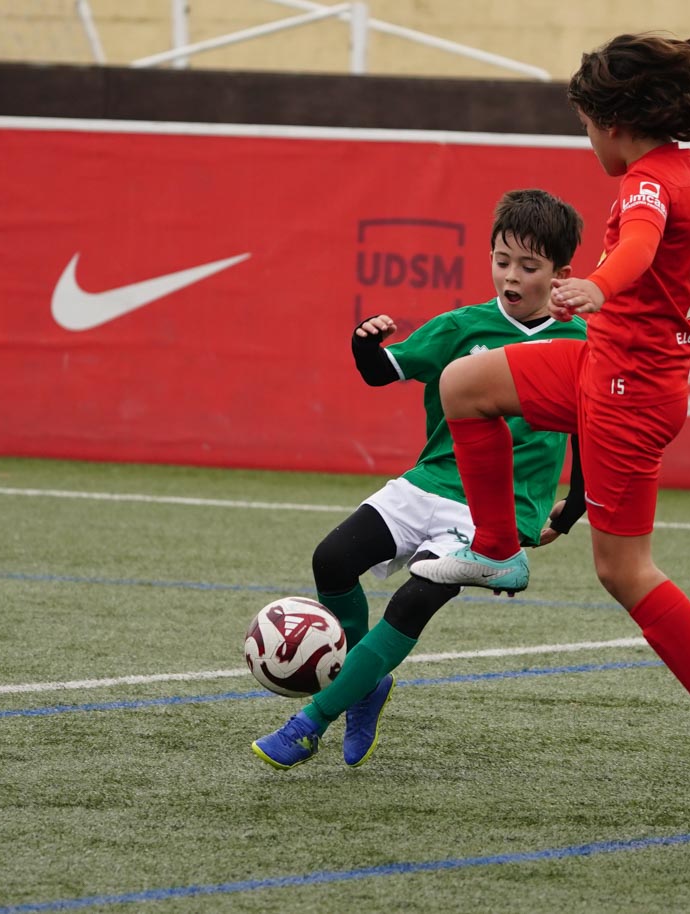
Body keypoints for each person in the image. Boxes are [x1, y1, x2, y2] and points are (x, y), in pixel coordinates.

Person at [410, 34, 690, 800]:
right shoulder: (687, 171)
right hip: (604, 369)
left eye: (585, 125)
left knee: (622, 568)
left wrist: (600, 287)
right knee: (464, 385)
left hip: (627, 393)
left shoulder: (648, 183)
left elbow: (639, 248)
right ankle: (496, 548)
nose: (586, 141)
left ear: (613, 123)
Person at [252, 188, 589, 770]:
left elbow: (592, 429)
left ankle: (310, 723)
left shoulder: (577, 343)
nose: (511, 276)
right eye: (501, 260)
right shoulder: (463, 325)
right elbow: (382, 373)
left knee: (412, 601)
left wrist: (575, 504)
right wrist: (364, 344)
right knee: (331, 559)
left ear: (561, 275)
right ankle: (367, 684)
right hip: (428, 482)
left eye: (529, 267)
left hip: (496, 513)